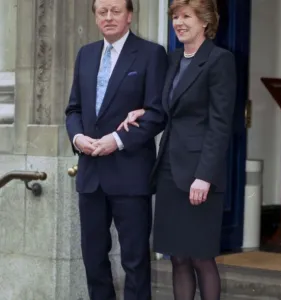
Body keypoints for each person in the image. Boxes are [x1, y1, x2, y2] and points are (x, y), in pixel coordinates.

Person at [118, 0, 237, 299]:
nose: (178, 22)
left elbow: (220, 125)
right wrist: (144, 112)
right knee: (178, 257)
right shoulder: (173, 59)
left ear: (205, 22)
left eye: (186, 16)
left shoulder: (220, 60)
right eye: (175, 16)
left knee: (200, 257)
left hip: (199, 175)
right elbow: (169, 109)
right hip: (170, 171)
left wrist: (204, 176)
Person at [65, 0, 168, 299]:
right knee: (93, 259)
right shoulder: (85, 54)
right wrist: (77, 138)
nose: (108, 17)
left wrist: (117, 141)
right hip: (91, 174)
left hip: (130, 172)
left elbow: (157, 113)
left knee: (135, 262)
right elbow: (74, 109)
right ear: (96, 17)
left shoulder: (151, 54)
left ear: (130, 15)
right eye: (102, 11)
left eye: (116, 11)